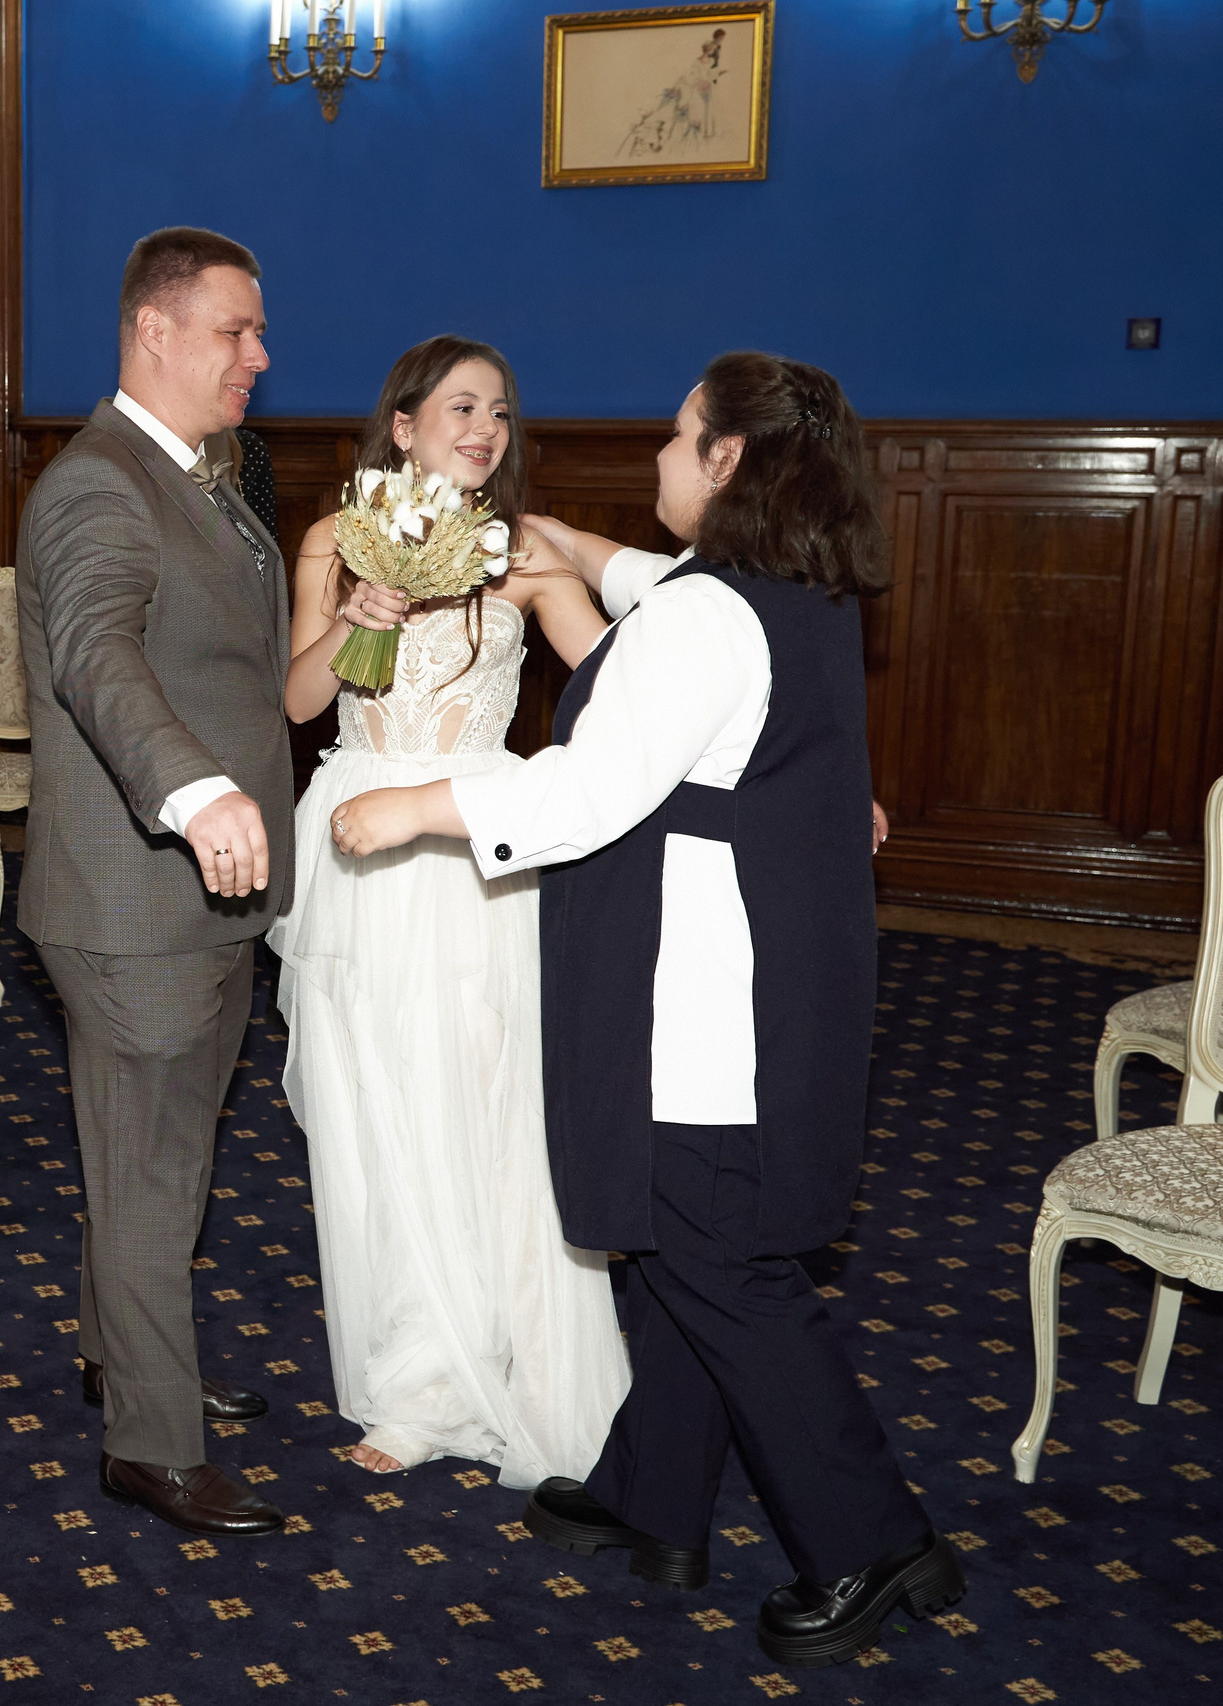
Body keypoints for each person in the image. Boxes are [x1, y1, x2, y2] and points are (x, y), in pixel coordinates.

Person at [330, 351, 962, 1669]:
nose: (662, 459)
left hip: (711, 992)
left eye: (682, 439)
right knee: (686, 1243)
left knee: (719, 1254)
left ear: (728, 463)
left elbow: (585, 789)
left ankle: (869, 1535)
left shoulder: (706, 619)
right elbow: (647, 586)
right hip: (774, 964)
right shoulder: (778, 588)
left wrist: (414, 809)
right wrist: (568, 544)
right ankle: (653, 1500)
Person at [269, 336, 629, 1484]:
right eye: (463, 406)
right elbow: (296, 697)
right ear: (406, 424)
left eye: (503, 412)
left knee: (484, 1098)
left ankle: (513, 1354)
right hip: (354, 849)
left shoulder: (519, 553)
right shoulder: (333, 538)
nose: (486, 428)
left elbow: (627, 683)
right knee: (376, 1107)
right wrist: (351, 609)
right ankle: (417, 1371)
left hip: (474, 850)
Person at [16, 226, 290, 1539]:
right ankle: (151, 1442)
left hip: (209, 900)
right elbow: (94, 656)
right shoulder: (97, 487)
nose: (260, 354)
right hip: (136, 897)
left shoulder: (199, 473)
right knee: (145, 1170)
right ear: (155, 331)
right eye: (237, 329)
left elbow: (220, 661)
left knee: (168, 1158)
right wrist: (192, 789)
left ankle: (118, 1350)